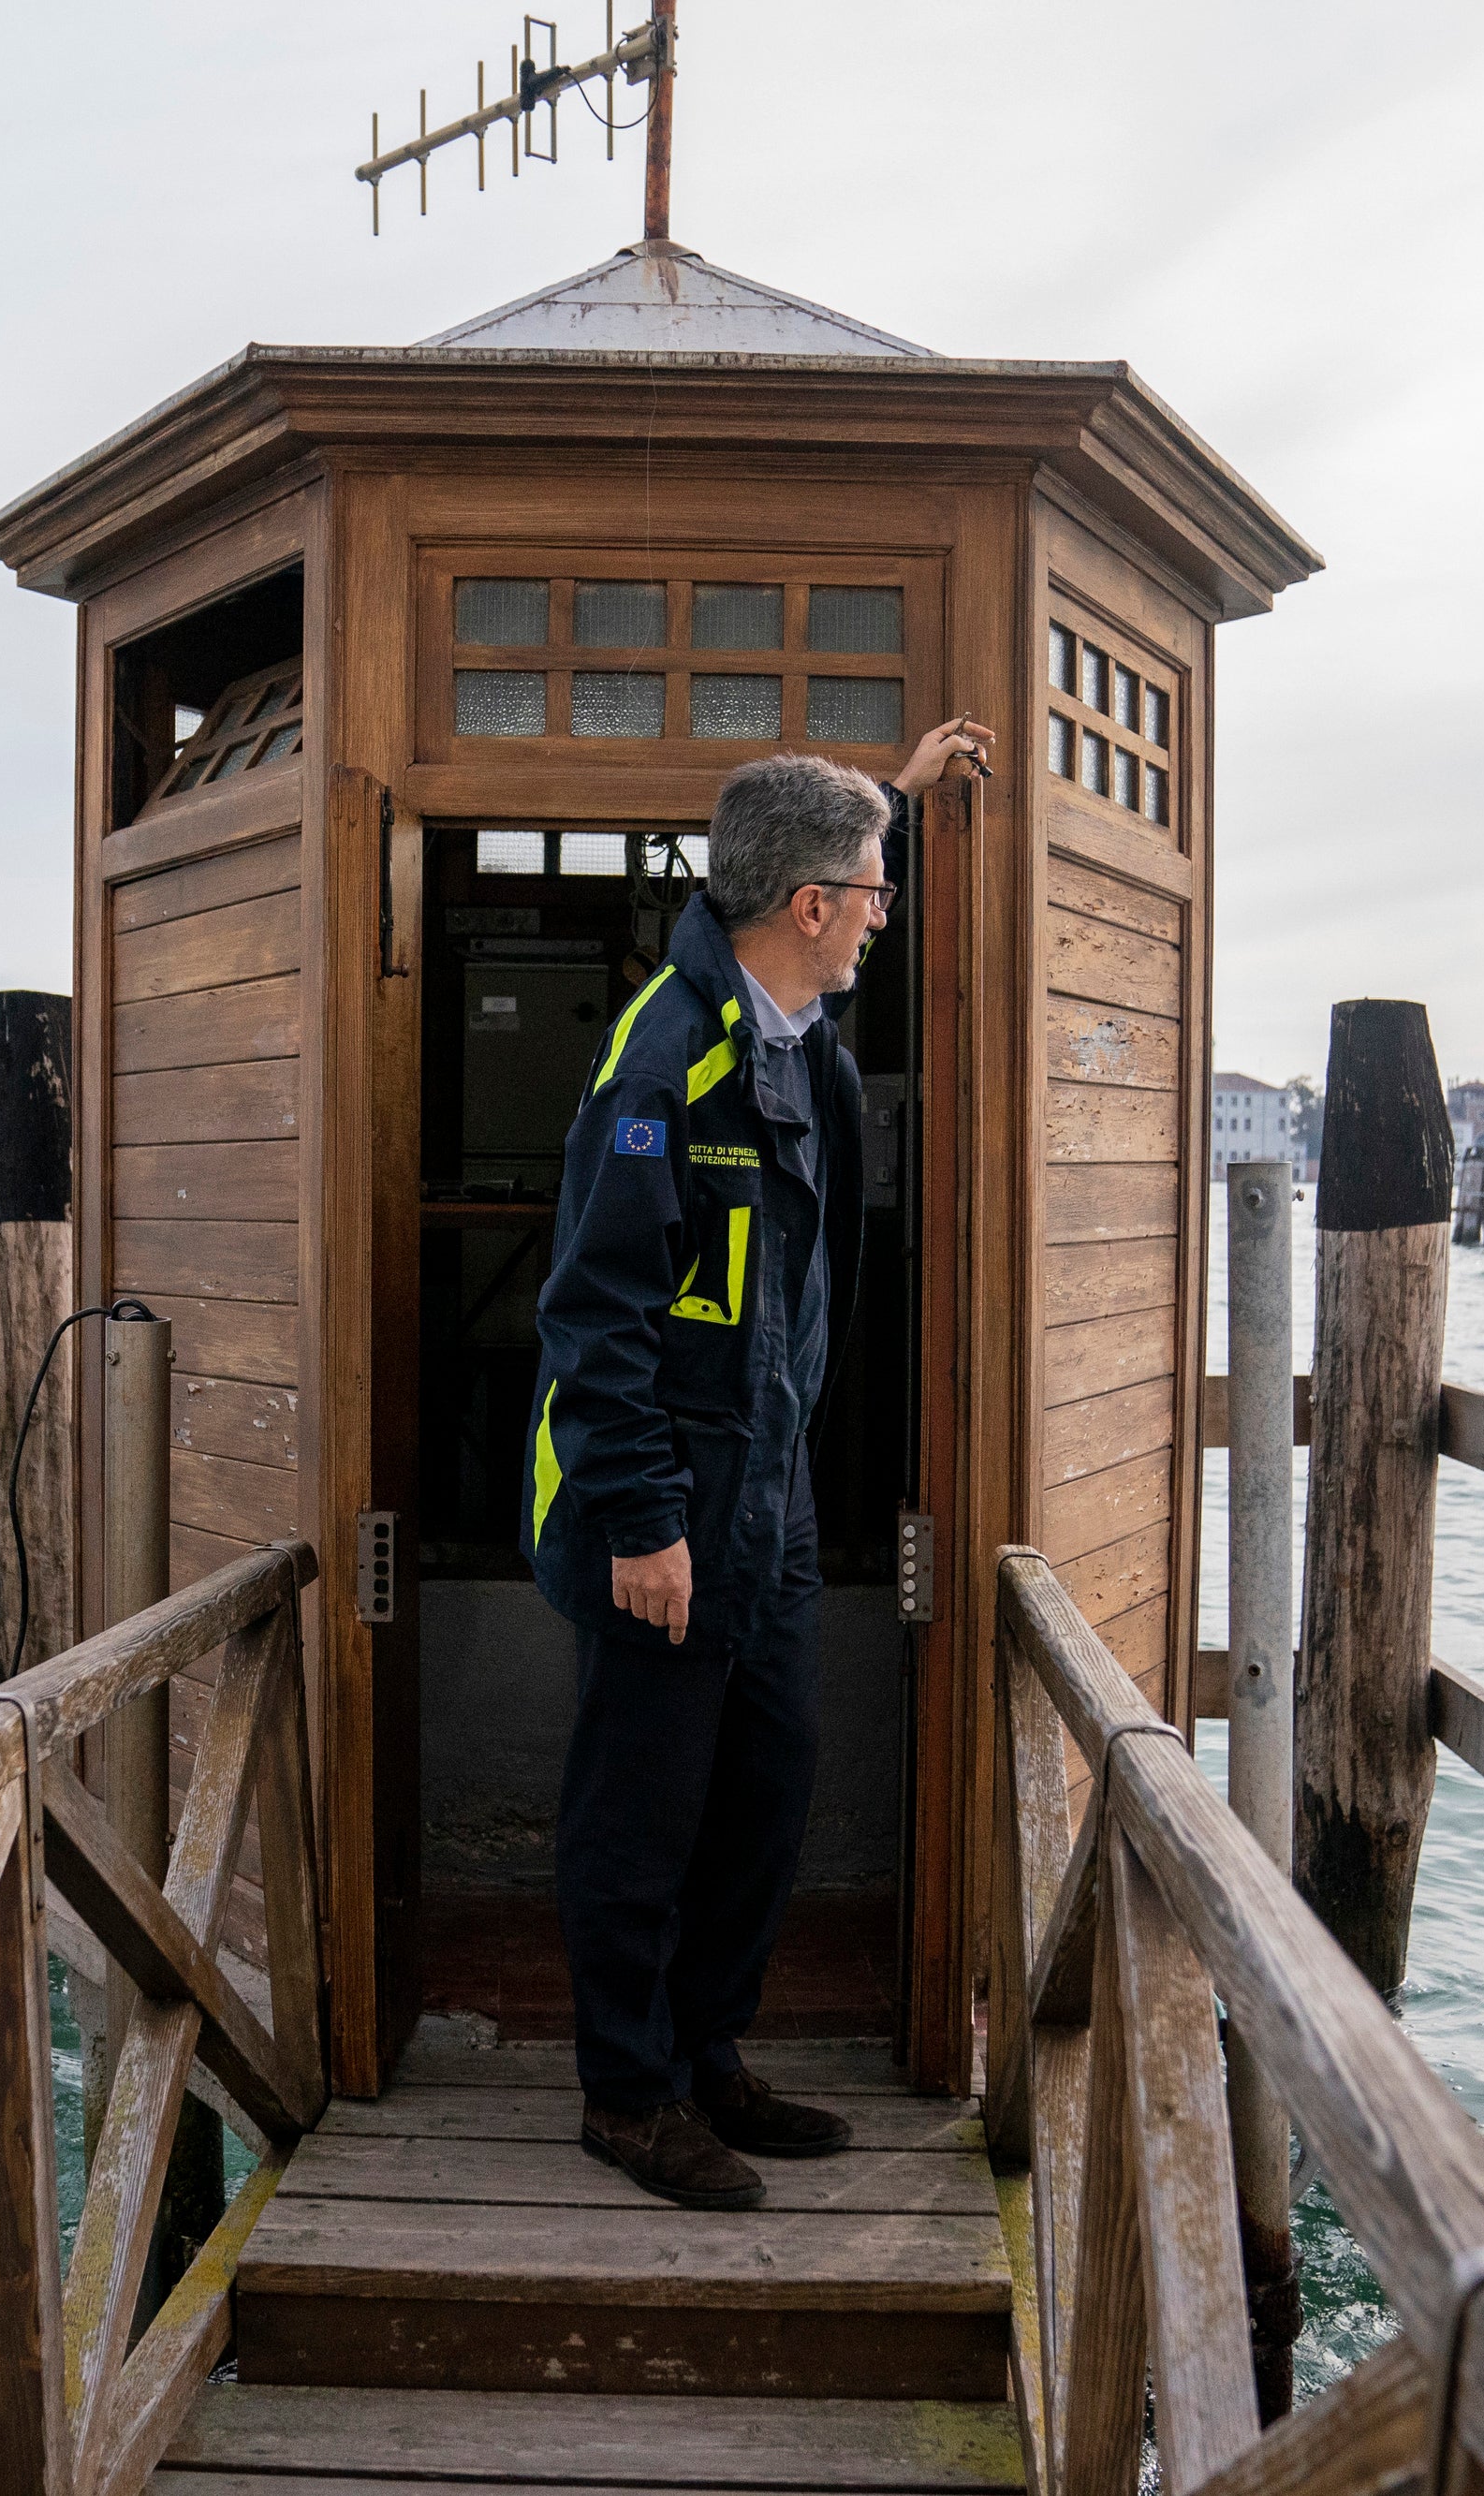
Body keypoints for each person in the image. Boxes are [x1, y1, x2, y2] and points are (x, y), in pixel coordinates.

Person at [521, 715, 993, 2210]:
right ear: (807, 909)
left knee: (762, 1786)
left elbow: (834, 870)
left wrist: (890, 803)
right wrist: (646, 1521)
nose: (881, 910)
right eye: (873, 888)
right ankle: (628, 2093)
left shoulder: (794, 1037)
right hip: (660, 1513)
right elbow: (594, 1317)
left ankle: (706, 2049)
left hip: (766, 1504)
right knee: (641, 1805)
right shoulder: (668, 1051)